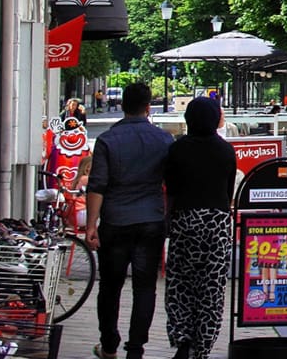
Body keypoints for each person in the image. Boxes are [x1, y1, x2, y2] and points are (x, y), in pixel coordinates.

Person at [85, 83, 172, 359]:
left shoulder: (108, 140)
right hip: (150, 221)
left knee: (110, 286)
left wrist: (90, 226)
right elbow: (171, 183)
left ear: (122, 105)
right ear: (149, 106)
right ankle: (136, 349)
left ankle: (109, 344)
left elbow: (97, 185)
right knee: (145, 287)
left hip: (116, 221)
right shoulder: (163, 140)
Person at [162, 98, 235, 359]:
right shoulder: (226, 151)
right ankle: (202, 346)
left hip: (185, 219)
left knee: (181, 282)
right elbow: (228, 193)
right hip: (216, 223)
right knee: (211, 288)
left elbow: (171, 188)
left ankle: (182, 338)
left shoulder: (178, 149)